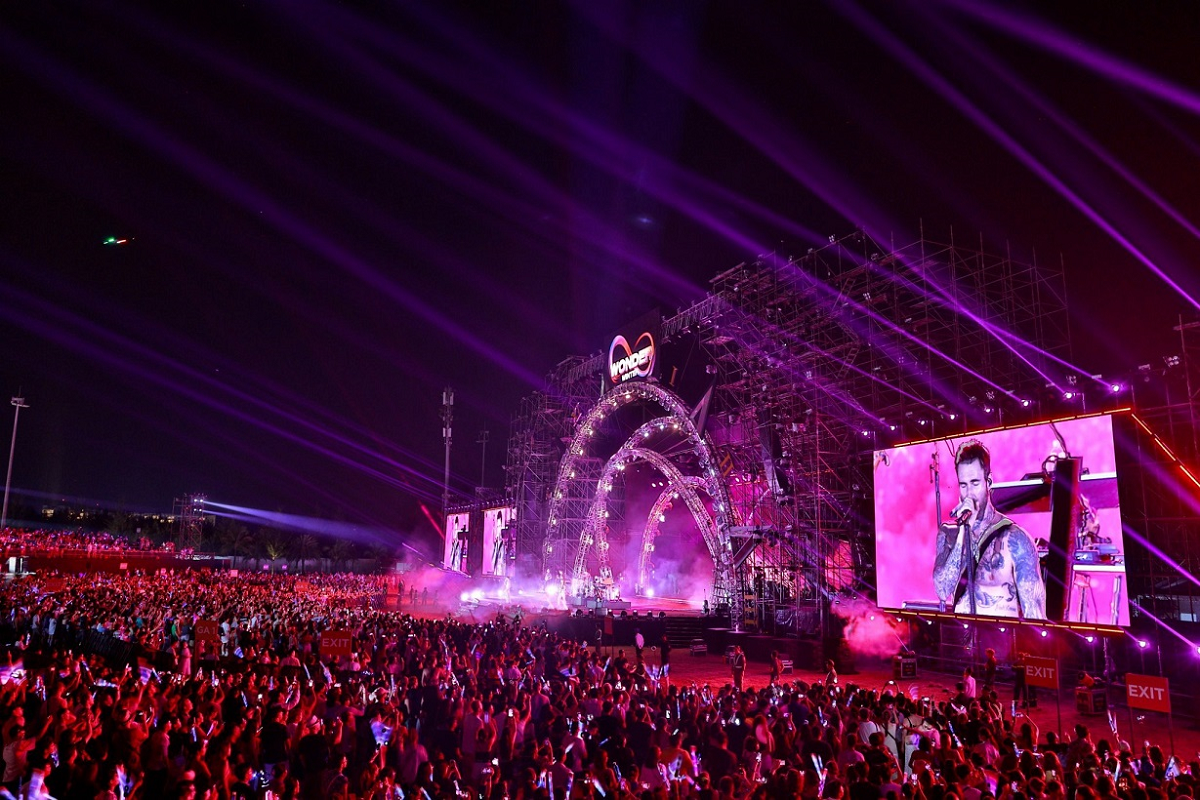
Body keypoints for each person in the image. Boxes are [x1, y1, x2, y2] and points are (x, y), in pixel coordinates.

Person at [932, 439, 1047, 619]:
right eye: (963, 485)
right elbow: (942, 589)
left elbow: (1035, 614)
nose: (969, 493)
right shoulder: (949, 534)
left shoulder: (1016, 539)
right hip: (961, 634)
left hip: (998, 635)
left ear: (989, 482)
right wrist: (963, 532)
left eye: (975, 483)